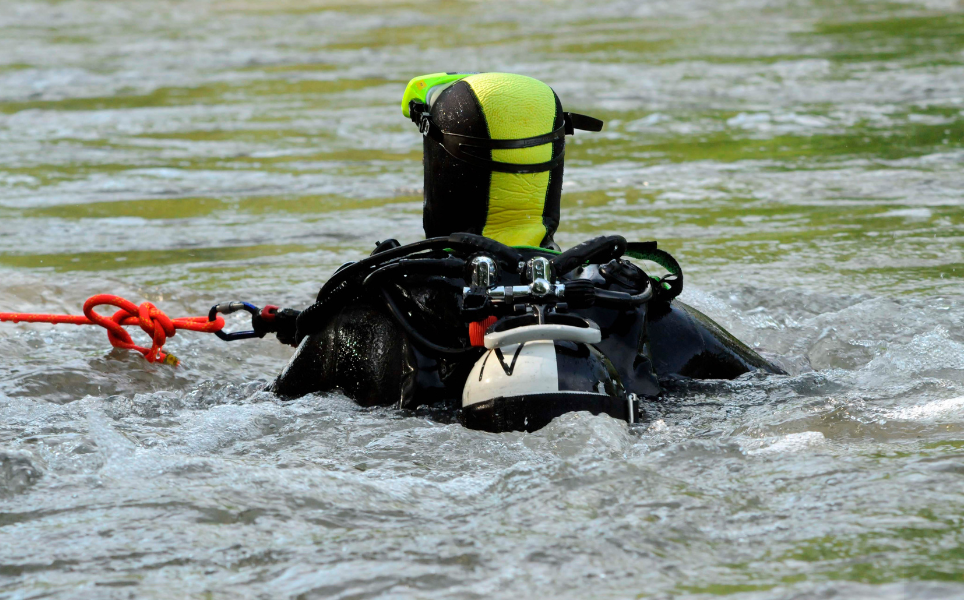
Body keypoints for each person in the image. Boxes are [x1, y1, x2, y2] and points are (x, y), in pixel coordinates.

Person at [270, 72, 784, 419]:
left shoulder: (368, 318)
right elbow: (789, 393)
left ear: (440, 167)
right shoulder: (635, 307)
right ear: (553, 163)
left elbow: (267, 411)